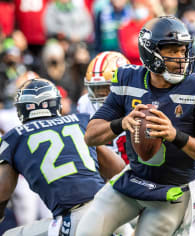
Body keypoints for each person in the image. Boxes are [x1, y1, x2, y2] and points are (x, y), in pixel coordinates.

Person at [76, 16, 195, 236]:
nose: (180, 57)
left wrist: (176, 135)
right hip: (134, 180)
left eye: (183, 50)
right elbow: (91, 135)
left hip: (174, 190)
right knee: (86, 232)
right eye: (171, 51)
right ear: (150, 51)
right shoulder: (127, 79)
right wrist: (121, 123)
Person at [0, 78, 126, 235]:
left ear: (21, 109)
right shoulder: (81, 120)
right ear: (56, 103)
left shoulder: (14, 138)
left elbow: (2, 194)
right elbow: (118, 169)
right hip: (110, 207)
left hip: (74, 220)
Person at [77, 51, 131, 163]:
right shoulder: (85, 103)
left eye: (107, 88)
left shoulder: (135, 101)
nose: (101, 93)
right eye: (97, 88)